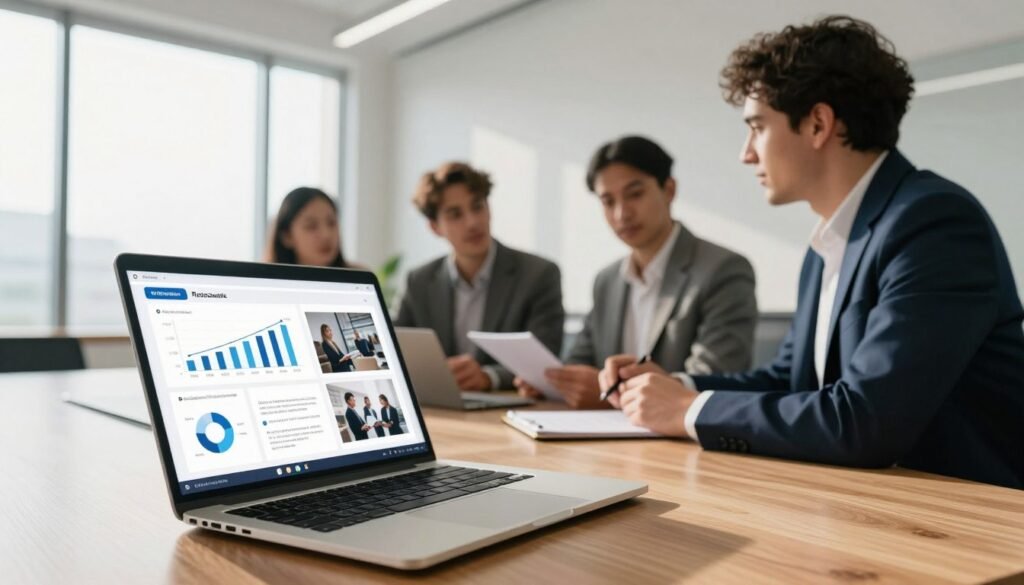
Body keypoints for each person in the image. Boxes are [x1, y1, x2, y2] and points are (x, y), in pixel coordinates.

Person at [603, 15, 1024, 489]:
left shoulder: (933, 222)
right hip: (869, 502)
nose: (746, 153)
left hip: (970, 521)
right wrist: (675, 386)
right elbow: (792, 379)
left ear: (818, 123)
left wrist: (687, 411)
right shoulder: (827, 243)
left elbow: (867, 419)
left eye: (757, 128)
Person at [516, 136, 758, 408]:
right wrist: (554, 382)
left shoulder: (723, 270)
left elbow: (713, 378)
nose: (622, 214)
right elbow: (580, 362)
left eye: (635, 194)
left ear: (669, 190)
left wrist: (607, 395)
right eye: (608, 201)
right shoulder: (606, 280)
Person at [395, 161, 565, 391]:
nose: (473, 222)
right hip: (443, 410)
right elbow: (396, 350)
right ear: (435, 227)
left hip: (509, 409)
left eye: (477, 206)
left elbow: (546, 358)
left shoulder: (539, 274)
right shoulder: (419, 281)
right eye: (455, 214)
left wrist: (488, 376)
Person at [266, 187, 363, 268]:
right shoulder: (266, 281)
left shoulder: (360, 277)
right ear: (287, 236)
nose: (326, 235)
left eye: (331, 223)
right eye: (311, 226)